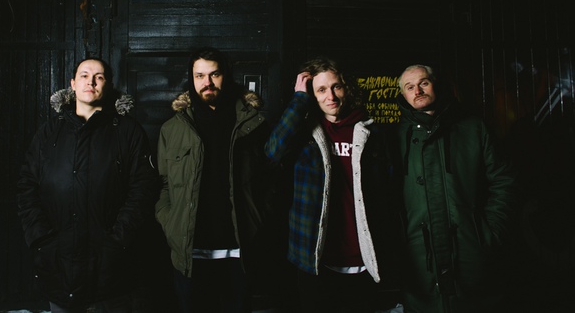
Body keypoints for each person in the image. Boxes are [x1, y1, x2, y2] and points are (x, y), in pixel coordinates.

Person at [17, 58, 157, 313]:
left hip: (109, 271)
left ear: (108, 84)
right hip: (57, 265)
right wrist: (41, 239)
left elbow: (142, 189)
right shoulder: (49, 132)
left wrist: (117, 242)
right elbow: (27, 185)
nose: (90, 82)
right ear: (73, 83)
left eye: (99, 77)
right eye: (84, 75)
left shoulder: (127, 131)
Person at [264, 57, 394, 313]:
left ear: (347, 88)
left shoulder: (370, 132)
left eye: (336, 87)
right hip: (315, 257)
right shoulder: (303, 132)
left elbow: (387, 191)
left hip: (364, 258)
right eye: (321, 90)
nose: (330, 96)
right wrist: (299, 100)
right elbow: (272, 153)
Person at [155, 47, 273, 313]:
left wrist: (258, 219)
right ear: (191, 79)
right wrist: (170, 222)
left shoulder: (252, 124)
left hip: (238, 252)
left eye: (214, 74)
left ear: (225, 75)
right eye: (200, 76)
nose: (207, 82)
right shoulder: (172, 129)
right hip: (190, 252)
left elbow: (270, 179)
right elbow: (164, 184)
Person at [395, 64, 517, 313]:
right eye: (410, 87)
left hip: (472, 256)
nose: (417, 91)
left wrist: (490, 231)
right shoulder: (393, 137)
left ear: (436, 84)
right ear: (403, 95)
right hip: (418, 261)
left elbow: (503, 180)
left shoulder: (473, 128)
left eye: (424, 83)